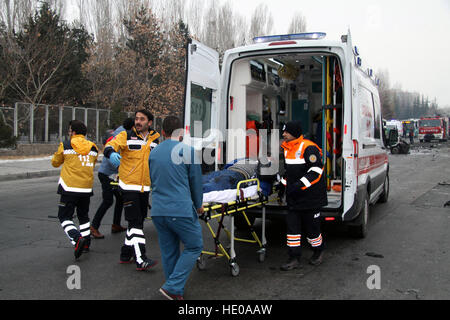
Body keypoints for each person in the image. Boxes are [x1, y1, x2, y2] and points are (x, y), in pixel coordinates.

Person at [149, 116, 203, 300]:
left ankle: (174, 290)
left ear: (162, 132)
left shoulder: (154, 153)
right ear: (182, 132)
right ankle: (172, 286)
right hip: (180, 209)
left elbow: (154, 179)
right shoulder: (188, 151)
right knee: (195, 246)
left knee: (169, 251)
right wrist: (199, 206)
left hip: (158, 210)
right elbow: (196, 183)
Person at [103, 109, 159, 271]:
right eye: (136, 119)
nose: (138, 122)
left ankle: (125, 254)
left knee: (138, 221)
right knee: (135, 222)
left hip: (145, 187)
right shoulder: (126, 135)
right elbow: (110, 145)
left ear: (149, 122)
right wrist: (111, 153)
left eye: (142, 119)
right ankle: (141, 259)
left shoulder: (155, 139)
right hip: (128, 186)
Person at [280, 120, 327, 271]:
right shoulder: (287, 149)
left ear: (294, 133)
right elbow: (289, 173)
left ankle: (318, 251)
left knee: (312, 230)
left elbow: (316, 172)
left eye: (286, 132)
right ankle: (294, 257)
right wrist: (282, 186)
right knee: (292, 230)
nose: (283, 134)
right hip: (294, 198)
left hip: (311, 197)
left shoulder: (308, 147)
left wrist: (299, 185)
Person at [51, 120, 99, 259]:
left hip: (69, 187)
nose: (69, 132)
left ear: (73, 132)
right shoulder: (93, 147)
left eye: (69, 130)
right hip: (86, 188)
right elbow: (93, 162)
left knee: (64, 216)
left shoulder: (66, 145)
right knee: (83, 216)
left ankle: (76, 238)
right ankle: (86, 243)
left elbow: (55, 162)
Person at [90, 118, 134, 239]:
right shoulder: (121, 136)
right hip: (107, 174)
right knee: (108, 200)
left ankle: (116, 224)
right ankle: (94, 226)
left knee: (120, 199)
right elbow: (112, 157)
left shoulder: (123, 133)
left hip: (113, 174)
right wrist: (123, 169)